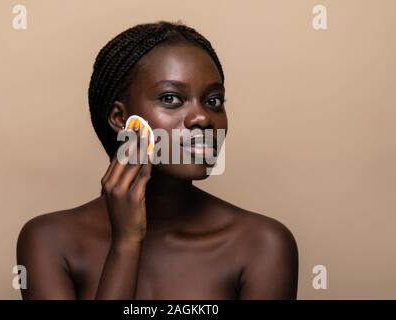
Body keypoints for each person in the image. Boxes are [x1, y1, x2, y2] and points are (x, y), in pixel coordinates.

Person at [16, 20, 299, 300]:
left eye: (213, 101)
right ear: (120, 118)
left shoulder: (262, 244)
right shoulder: (49, 241)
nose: (202, 118)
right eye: (171, 98)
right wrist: (126, 243)